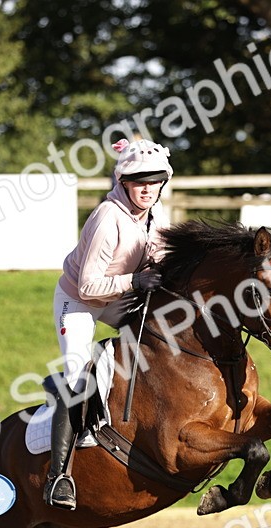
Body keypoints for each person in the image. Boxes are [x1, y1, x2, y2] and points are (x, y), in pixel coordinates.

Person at [44, 137, 172, 509]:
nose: (147, 188)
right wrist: (134, 281)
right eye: (138, 180)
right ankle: (59, 477)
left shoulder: (155, 214)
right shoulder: (107, 217)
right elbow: (88, 286)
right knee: (74, 374)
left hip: (114, 298)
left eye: (154, 180)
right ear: (123, 182)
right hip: (79, 301)